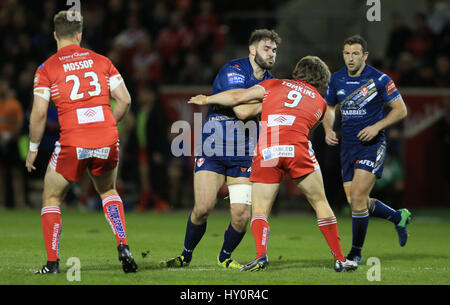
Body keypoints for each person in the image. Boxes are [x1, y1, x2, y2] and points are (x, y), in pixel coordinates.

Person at [188, 56, 358, 272]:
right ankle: (340, 258)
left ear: (298, 72)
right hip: (298, 148)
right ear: (323, 80)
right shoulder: (321, 103)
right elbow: (307, 129)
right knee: (320, 202)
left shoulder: (274, 84)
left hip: (269, 149)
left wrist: (207, 100)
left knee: (259, 210)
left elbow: (240, 101)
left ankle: (261, 255)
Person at [26, 10, 137, 274]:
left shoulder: (46, 68)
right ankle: (123, 244)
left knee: (51, 196)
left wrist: (32, 149)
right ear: (79, 34)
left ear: (55, 35)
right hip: (106, 138)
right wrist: (111, 123)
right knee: (108, 191)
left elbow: (40, 113)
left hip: (73, 141)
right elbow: (125, 99)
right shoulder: (102, 61)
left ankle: (53, 263)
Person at [159, 29, 281, 269]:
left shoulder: (271, 80)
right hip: (213, 146)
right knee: (203, 208)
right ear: (252, 49)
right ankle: (185, 255)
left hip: (244, 151)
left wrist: (245, 101)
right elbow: (240, 108)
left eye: (275, 50)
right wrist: (261, 101)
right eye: (266, 49)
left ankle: (224, 257)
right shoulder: (233, 69)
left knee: (241, 217)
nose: (271, 54)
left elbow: (244, 106)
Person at [322, 35, 411, 265]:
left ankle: (355, 253)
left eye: (355, 54)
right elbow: (329, 108)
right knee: (356, 201)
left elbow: (400, 110)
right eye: (346, 53)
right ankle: (397, 216)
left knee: (359, 197)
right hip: (348, 148)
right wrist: (327, 128)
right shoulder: (337, 79)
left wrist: (377, 126)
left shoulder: (379, 79)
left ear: (365, 55)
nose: (350, 59)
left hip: (372, 146)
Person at [0, 78, 26, 209]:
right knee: (1, 174)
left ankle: (20, 203)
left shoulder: (14, 104)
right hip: (1, 142)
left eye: (3, 85)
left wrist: (10, 135)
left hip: (13, 142)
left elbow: (19, 122)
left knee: (16, 172)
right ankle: (2, 203)